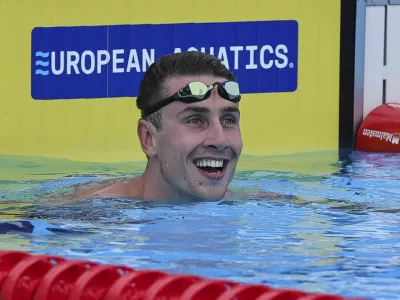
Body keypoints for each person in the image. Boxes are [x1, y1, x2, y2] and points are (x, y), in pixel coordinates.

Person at [56, 51, 283, 203]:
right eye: (195, 120)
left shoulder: (266, 206)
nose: (220, 140)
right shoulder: (90, 213)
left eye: (228, 120)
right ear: (149, 139)